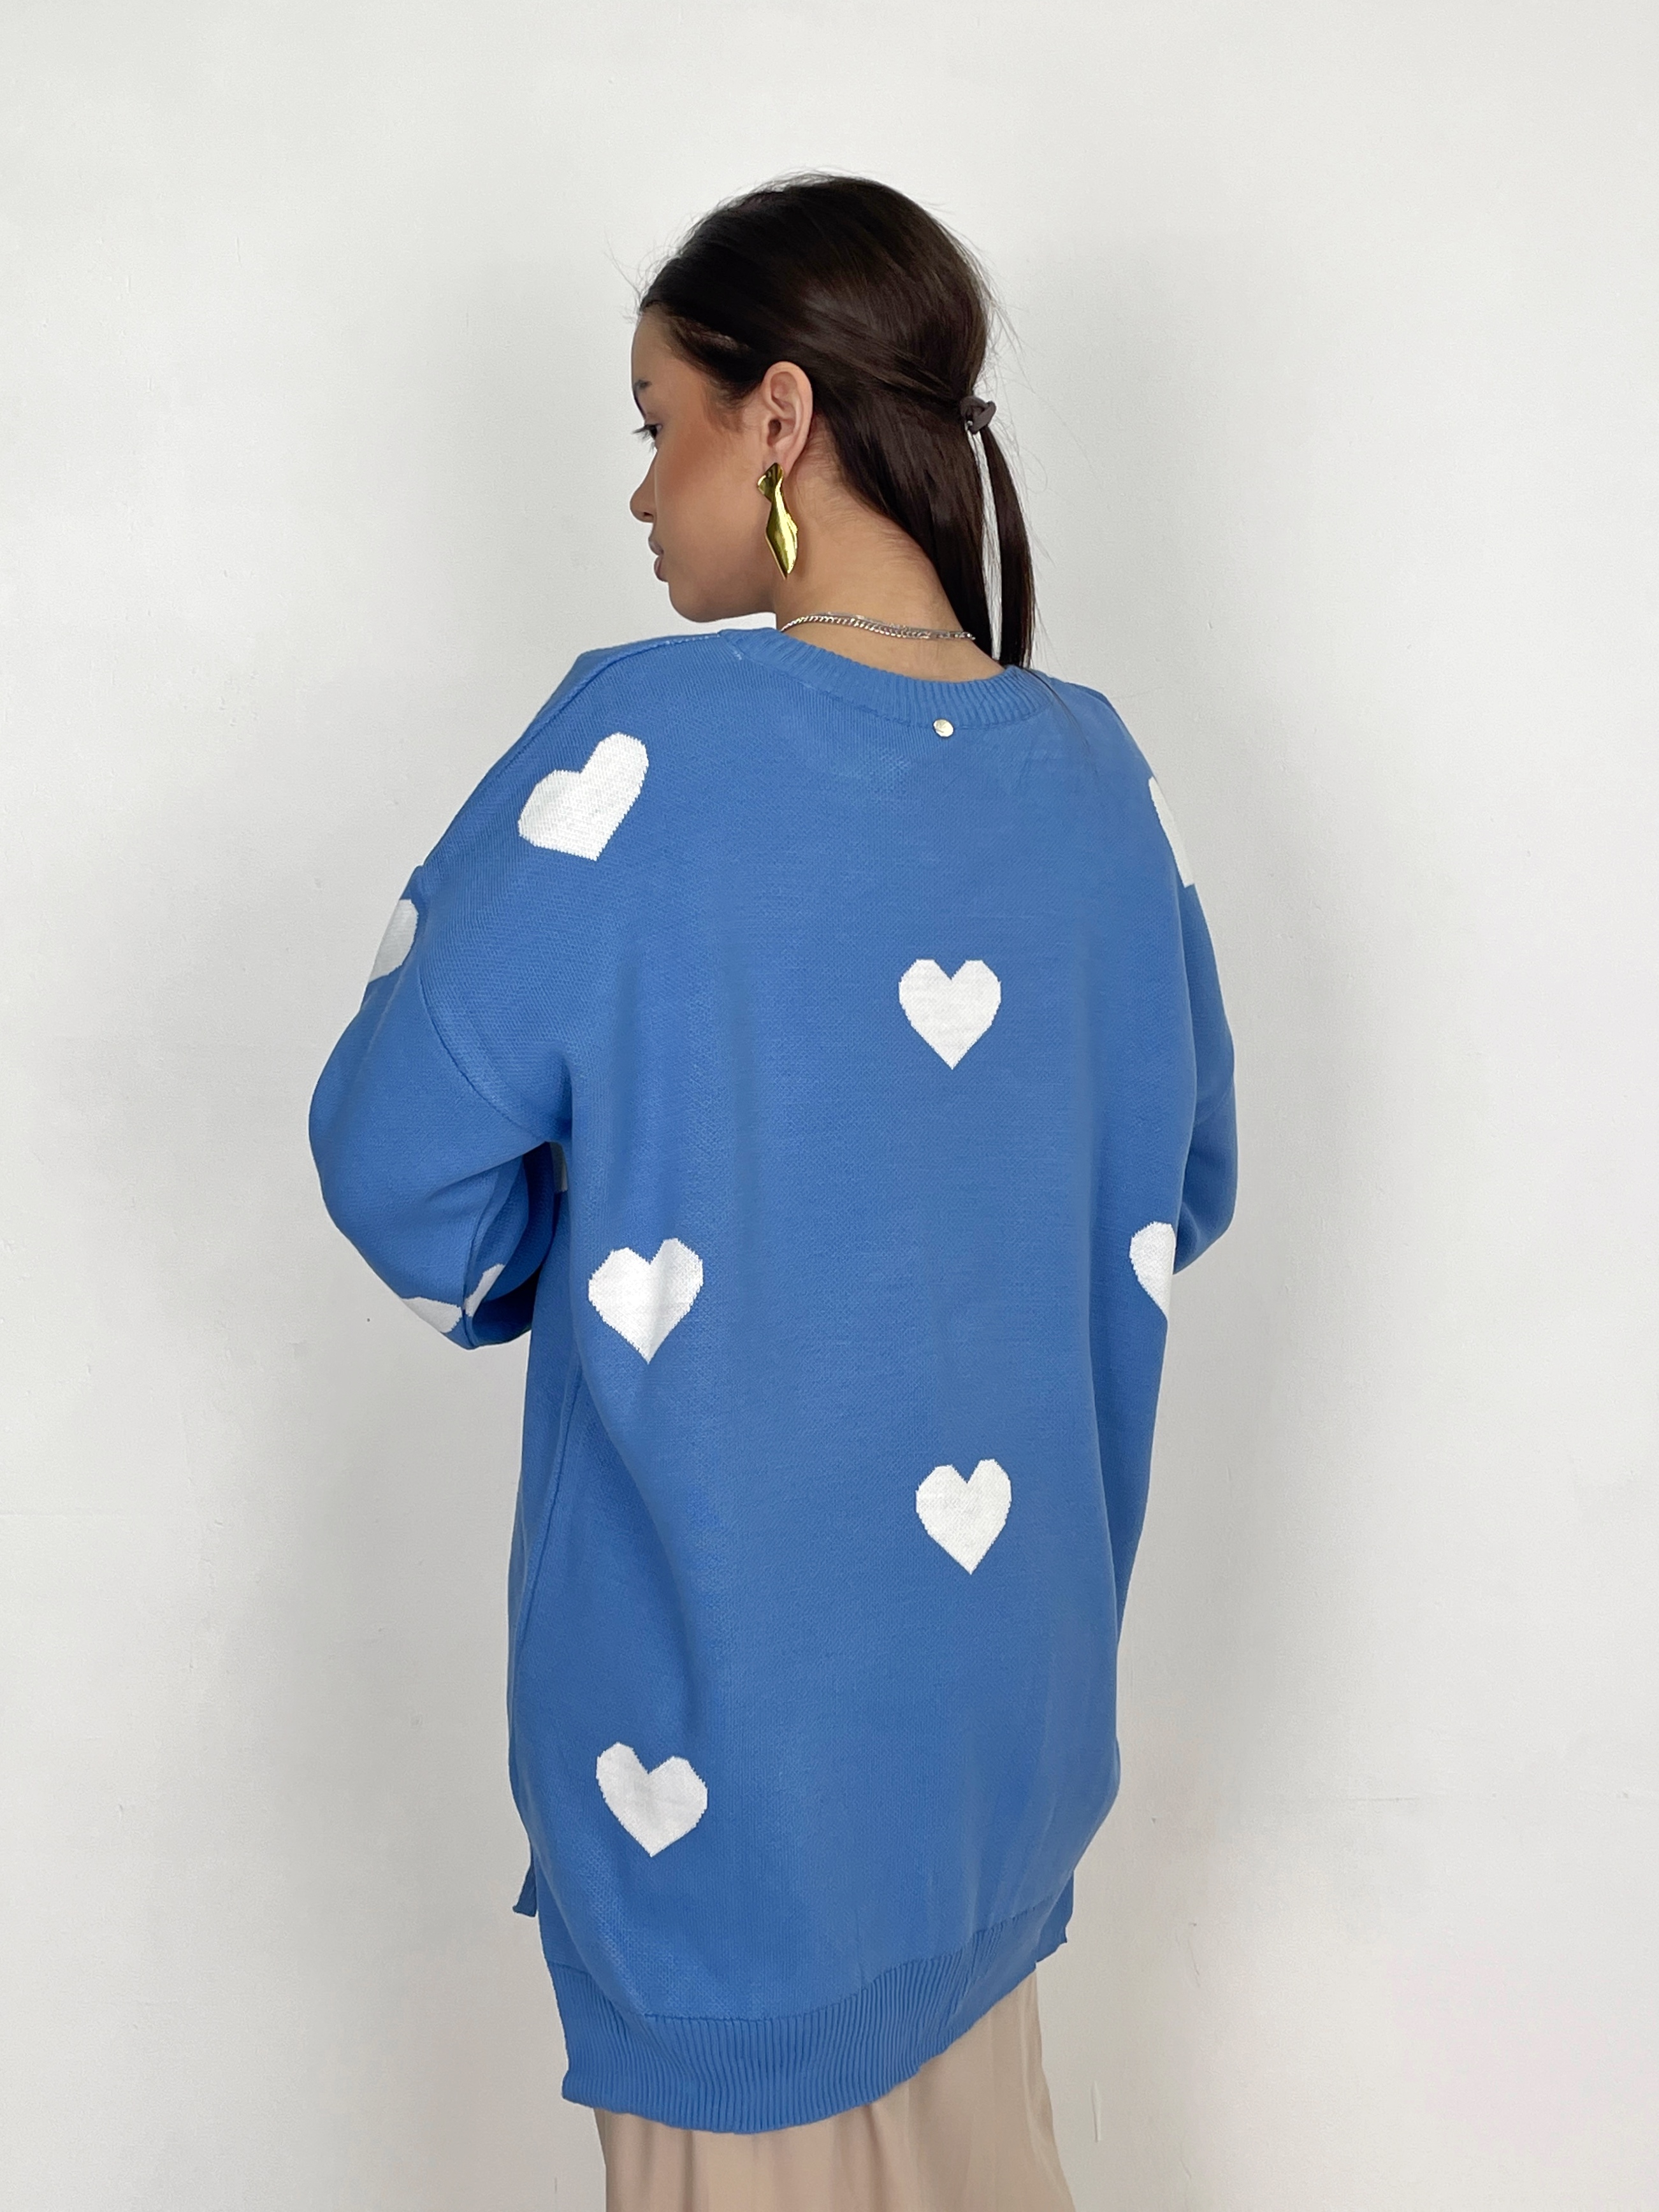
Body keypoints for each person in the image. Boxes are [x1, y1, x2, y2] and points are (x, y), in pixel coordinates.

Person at [308, 170, 1237, 2212]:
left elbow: (396, 1162)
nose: (641, 493)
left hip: (721, 1795)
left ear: (783, 418)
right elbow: (1181, 1173)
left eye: (661, 425)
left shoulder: (637, 749)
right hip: (993, 1762)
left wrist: (590, 1239)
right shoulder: (1099, 777)